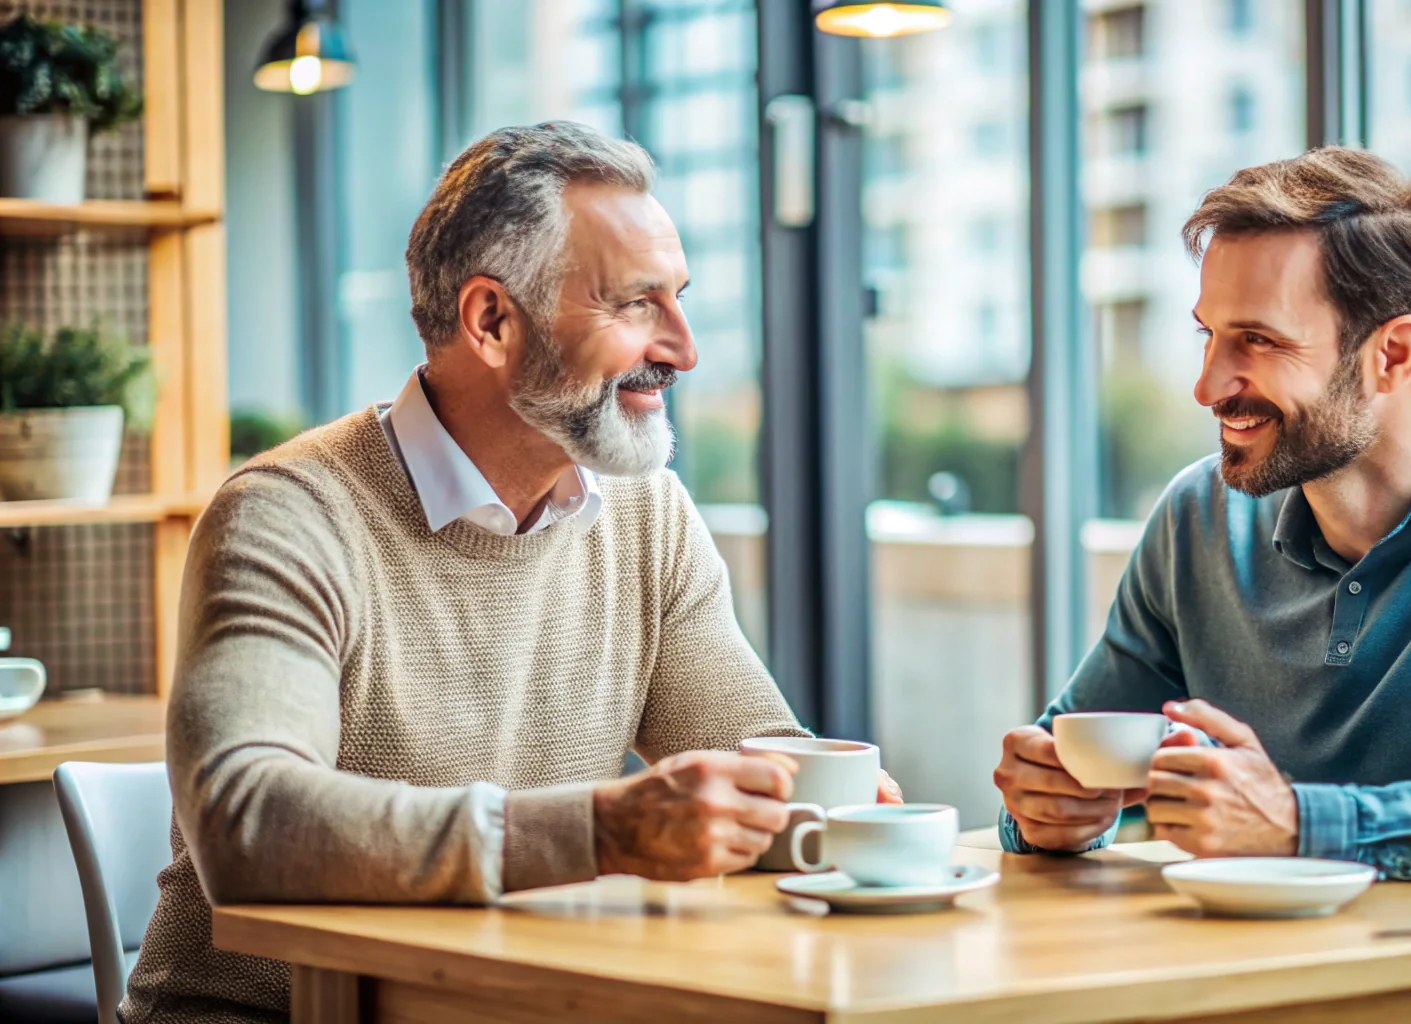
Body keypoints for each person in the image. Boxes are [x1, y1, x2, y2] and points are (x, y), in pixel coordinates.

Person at [123, 122, 897, 1024]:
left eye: (679, 301)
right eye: (637, 305)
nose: (684, 349)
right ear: (492, 320)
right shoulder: (287, 515)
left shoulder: (647, 515)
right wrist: (599, 833)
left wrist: (837, 814)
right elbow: (246, 823)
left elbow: (751, 758)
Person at [992, 147, 1411, 882]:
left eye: (1258, 340)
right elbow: (1065, 758)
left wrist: (1301, 824)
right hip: (1239, 977)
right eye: (1209, 335)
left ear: (1393, 354)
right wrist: (1045, 810)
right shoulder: (1197, 517)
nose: (1208, 386)